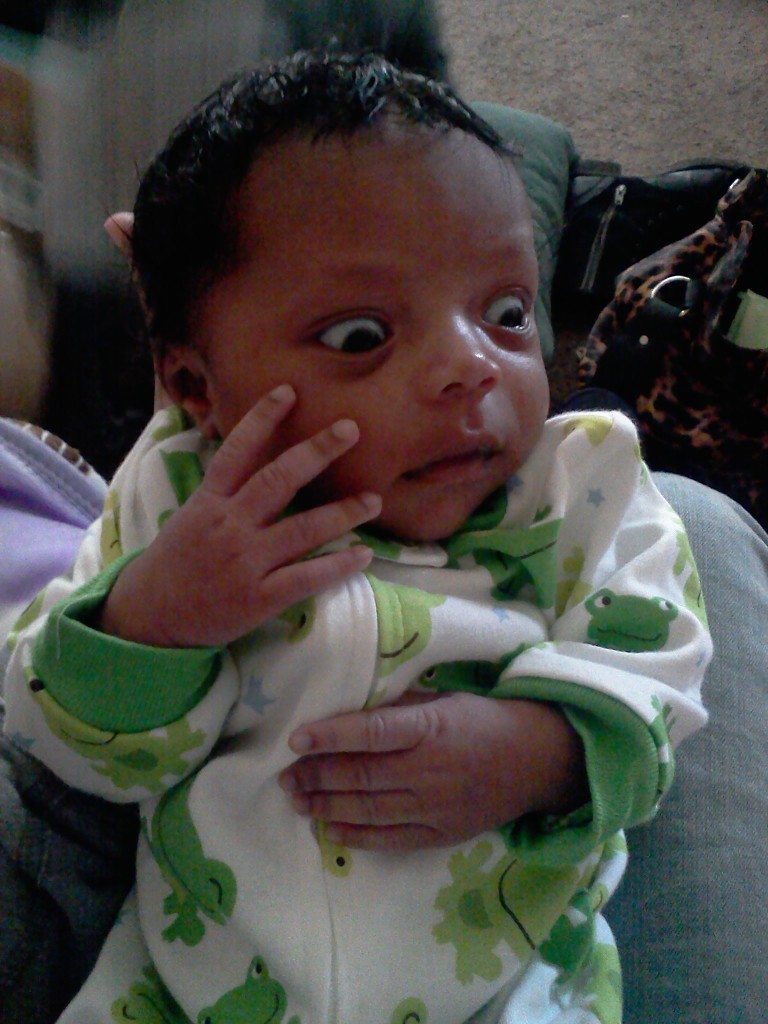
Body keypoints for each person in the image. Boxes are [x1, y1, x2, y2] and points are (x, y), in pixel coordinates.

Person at [3, 51, 710, 1024]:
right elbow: (65, 752)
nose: (470, 365)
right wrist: (147, 623)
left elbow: (666, 670)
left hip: (511, 983)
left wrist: (544, 750)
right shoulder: (181, 500)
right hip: (191, 988)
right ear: (198, 386)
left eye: (507, 313)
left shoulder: (584, 480)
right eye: (361, 336)